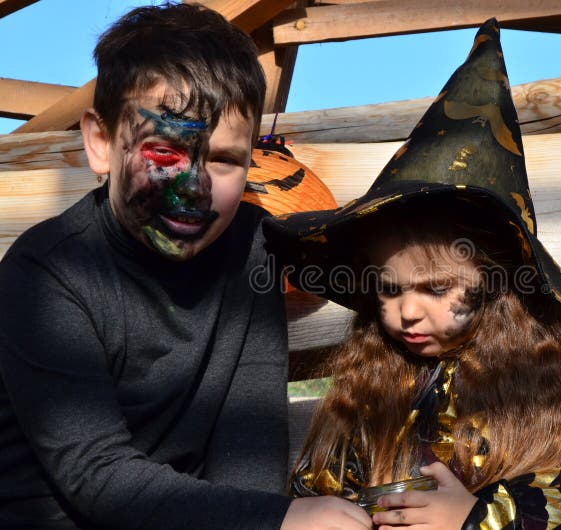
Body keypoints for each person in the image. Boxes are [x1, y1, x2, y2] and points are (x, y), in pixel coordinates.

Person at [0, 4, 371, 530]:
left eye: (223, 160)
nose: (195, 187)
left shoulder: (252, 250)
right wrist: (274, 520)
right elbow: (96, 475)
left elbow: (249, 443)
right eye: (167, 152)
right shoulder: (47, 274)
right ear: (101, 143)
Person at [275, 19, 561, 529]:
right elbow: (323, 484)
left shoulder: (552, 387)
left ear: (493, 284)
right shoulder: (369, 383)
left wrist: (477, 519)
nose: (408, 312)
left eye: (436, 288)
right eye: (389, 289)